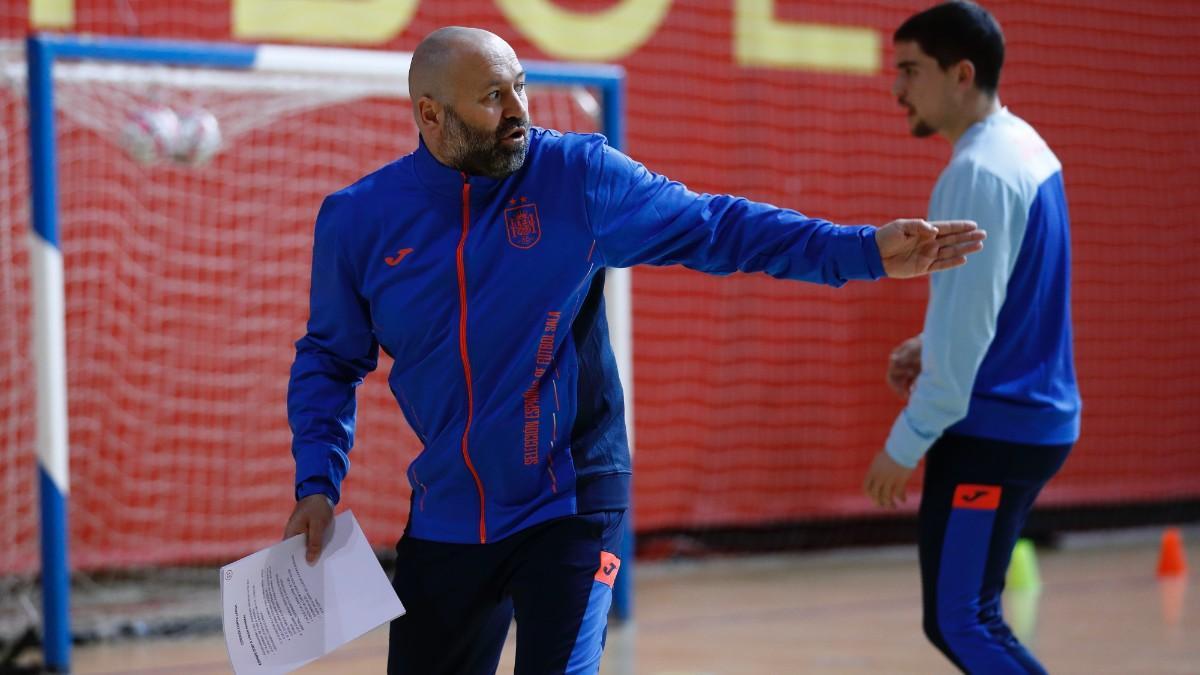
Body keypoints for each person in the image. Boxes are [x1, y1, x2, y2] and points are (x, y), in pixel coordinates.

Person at [284, 25, 984, 675]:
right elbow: (330, 360)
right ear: (430, 115)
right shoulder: (358, 221)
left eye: (520, 86)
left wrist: (860, 251)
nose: (519, 109)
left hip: (573, 499)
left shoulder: (576, 177)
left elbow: (718, 226)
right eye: (493, 97)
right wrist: (316, 482)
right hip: (448, 513)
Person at [862, 3, 1081, 673]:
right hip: (1023, 422)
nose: (897, 90)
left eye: (910, 71)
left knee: (961, 619)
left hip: (994, 431)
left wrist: (907, 439)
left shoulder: (976, 173)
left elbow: (971, 330)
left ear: (962, 74)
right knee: (966, 615)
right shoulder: (1024, 146)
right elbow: (1002, 296)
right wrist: (932, 339)